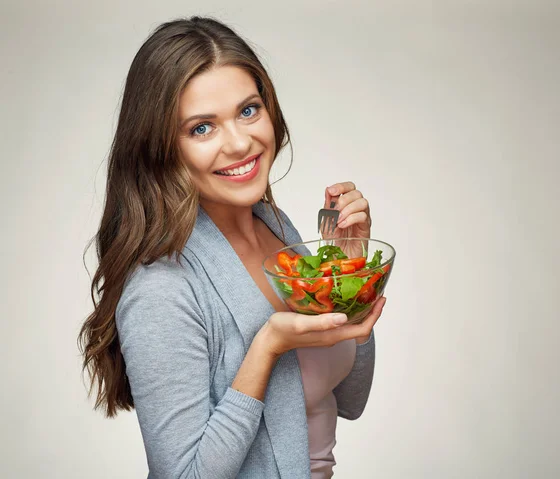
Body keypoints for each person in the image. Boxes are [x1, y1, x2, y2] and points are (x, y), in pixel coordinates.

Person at [78, 16, 386, 479]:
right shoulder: (161, 287)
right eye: (202, 128)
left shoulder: (277, 229)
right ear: (162, 148)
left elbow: (350, 398)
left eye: (248, 110)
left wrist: (347, 272)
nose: (241, 142)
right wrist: (265, 349)